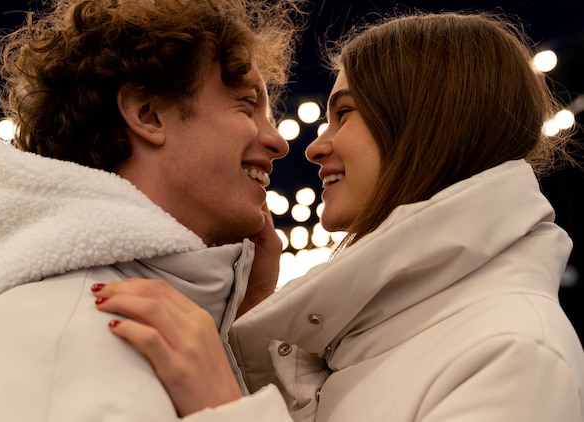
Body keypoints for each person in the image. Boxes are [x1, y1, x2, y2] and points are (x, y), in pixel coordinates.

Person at [91, 10, 584, 421]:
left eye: (344, 114)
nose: (313, 147)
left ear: (428, 124)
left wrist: (221, 405)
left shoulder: (514, 350)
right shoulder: (394, 329)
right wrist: (254, 311)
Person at [0, 0, 305, 420]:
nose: (278, 142)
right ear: (148, 114)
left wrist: (245, 315)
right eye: (247, 105)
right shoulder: (66, 333)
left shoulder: (112, 319)